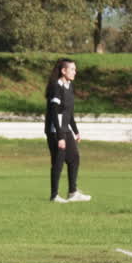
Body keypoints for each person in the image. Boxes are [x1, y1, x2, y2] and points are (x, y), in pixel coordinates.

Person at [44, 58, 91, 203]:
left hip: (65, 129)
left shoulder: (69, 86)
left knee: (74, 158)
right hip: (55, 130)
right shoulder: (55, 87)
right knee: (58, 161)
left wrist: (76, 131)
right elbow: (54, 113)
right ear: (63, 71)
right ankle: (54, 196)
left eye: (75, 69)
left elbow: (68, 112)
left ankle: (73, 193)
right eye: (72, 69)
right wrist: (60, 137)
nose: (75, 72)